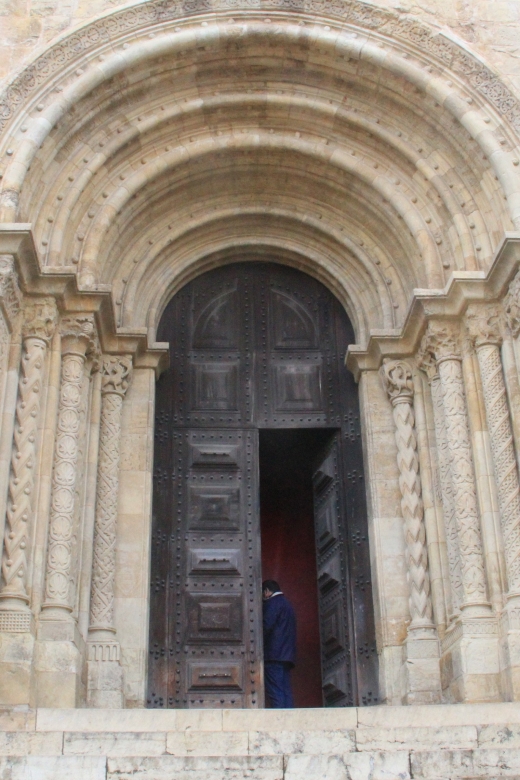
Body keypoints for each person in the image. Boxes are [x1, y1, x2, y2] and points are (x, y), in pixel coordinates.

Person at [262, 579, 296, 708]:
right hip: (286, 655)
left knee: (276, 691)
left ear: (267, 592)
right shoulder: (288, 605)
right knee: (286, 691)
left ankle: (280, 721)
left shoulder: (272, 604)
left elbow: (266, 626)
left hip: (273, 655)